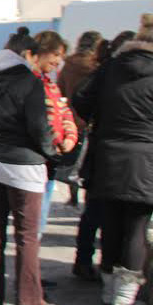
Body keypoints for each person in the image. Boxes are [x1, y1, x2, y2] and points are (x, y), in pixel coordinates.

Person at [73, 14, 153, 305]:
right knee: (136, 227)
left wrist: (102, 117)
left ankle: (109, 290)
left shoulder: (111, 67)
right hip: (148, 158)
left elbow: (81, 99)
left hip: (108, 153)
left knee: (109, 223)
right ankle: (125, 298)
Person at [0, 32, 57, 305]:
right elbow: (39, 128)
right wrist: (51, 152)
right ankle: (29, 301)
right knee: (27, 235)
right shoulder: (30, 83)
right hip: (24, 164)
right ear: (27, 55)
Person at [61, 32, 111, 282]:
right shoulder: (99, 72)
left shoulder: (68, 66)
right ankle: (103, 266)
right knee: (101, 208)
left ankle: (83, 258)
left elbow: (65, 93)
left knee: (91, 205)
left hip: (72, 123)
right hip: (89, 131)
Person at [26, 30, 78, 239]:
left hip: (50, 157)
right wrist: (54, 141)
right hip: (34, 158)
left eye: (61, 56)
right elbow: (37, 121)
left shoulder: (49, 84)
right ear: (41, 52)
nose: (59, 61)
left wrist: (69, 137)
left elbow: (63, 111)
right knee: (31, 217)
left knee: (40, 210)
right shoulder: (28, 82)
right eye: (55, 54)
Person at [57, 31, 104, 208]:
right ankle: (87, 195)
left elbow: (60, 90)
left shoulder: (68, 65)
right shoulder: (97, 68)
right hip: (90, 118)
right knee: (87, 159)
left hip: (71, 117)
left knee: (73, 159)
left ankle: (73, 196)